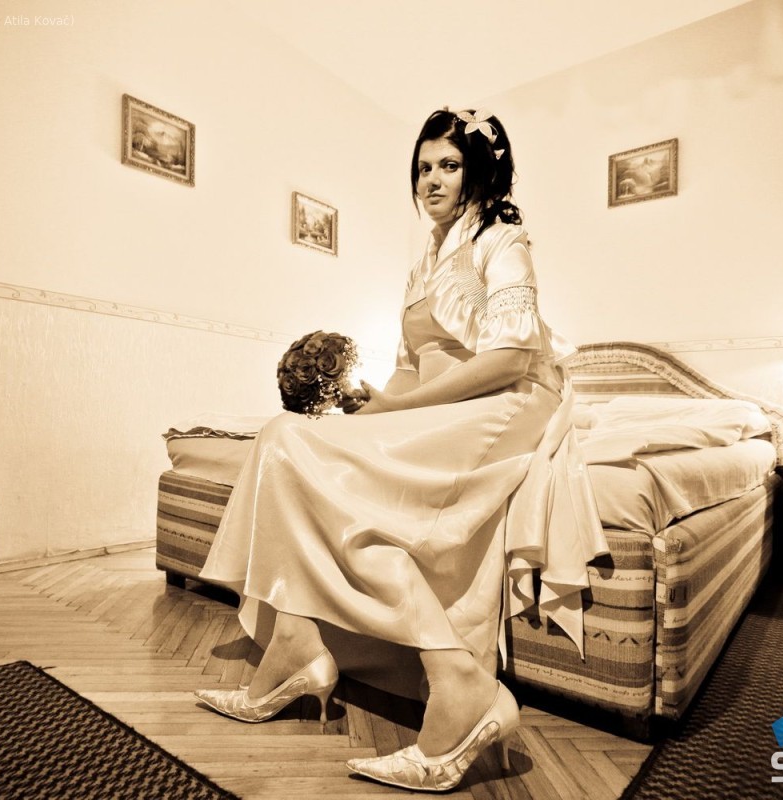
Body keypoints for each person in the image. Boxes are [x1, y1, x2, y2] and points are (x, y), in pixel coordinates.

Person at [194, 108, 606, 792]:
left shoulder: (503, 240)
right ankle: (295, 644)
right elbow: (412, 372)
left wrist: (397, 413)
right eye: (423, 167)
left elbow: (510, 359)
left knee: (343, 484)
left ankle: (458, 682)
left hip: (505, 404)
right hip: (437, 407)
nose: (431, 180)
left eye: (449, 165)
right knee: (285, 436)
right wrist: (374, 407)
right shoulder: (421, 268)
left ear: (479, 171)